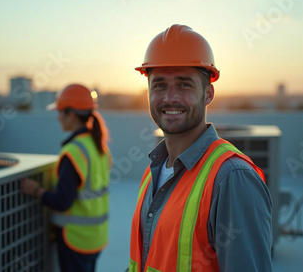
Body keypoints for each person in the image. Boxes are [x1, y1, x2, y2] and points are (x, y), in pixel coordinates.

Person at [128, 25, 273, 272]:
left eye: (184, 85)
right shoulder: (151, 173)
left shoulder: (231, 179)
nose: (170, 97)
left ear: (208, 94)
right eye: (159, 85)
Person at [21, 84, 111, 272]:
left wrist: (35, 190)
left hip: (76, 239)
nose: (57, 117)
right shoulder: (99, 147)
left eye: (60, 112)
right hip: (96, 237)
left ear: (71, 115)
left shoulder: (74, 152)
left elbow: (62, 202)